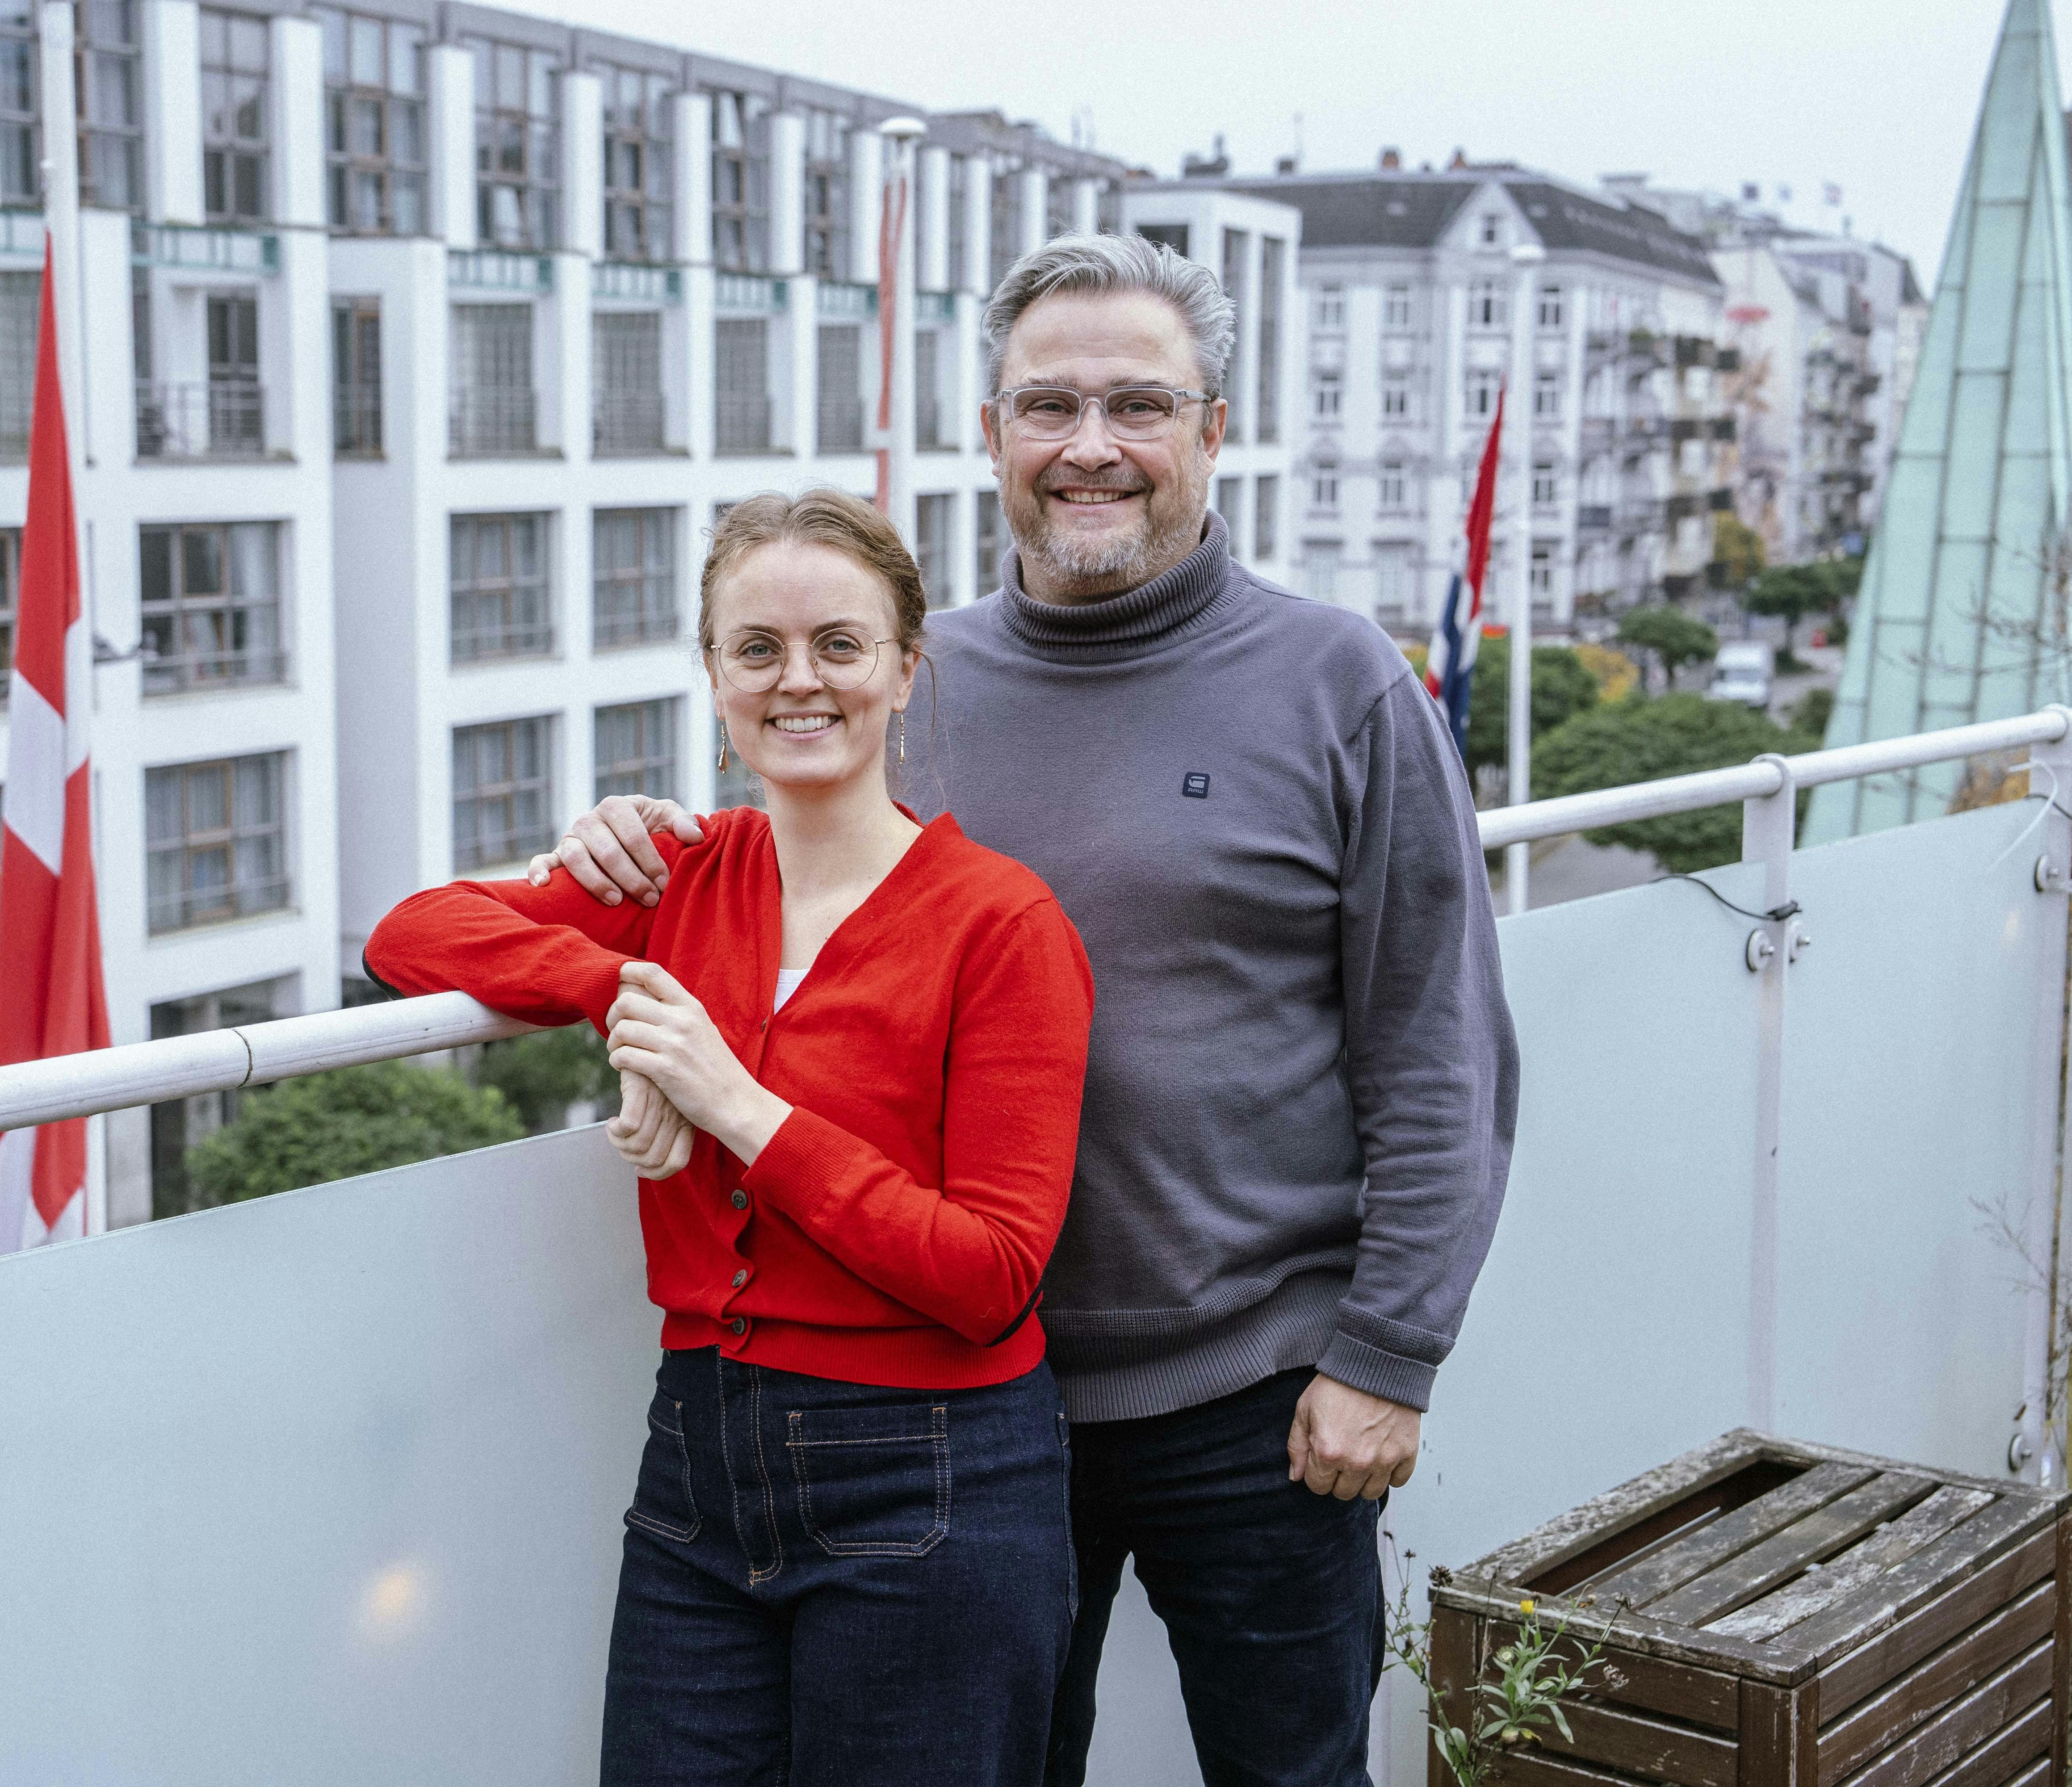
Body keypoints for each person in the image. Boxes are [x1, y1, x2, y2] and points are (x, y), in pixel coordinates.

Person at [529, 233, 1518, 1787]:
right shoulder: (901, 687)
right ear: (990, 433)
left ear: (1212, 428)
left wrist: (1390, 1353)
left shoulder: (1341, 685)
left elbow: (1438, 1050)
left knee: (1295, 1775)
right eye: (1048, 405)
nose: (1093, 447)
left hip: (1254, 1395)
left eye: (1140, 404)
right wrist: (617, 875)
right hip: (954, 1411)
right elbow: (774, 910)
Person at [363, 488, 1097, 1787]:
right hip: (700, 1458)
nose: (797, 681)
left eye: (839, 645)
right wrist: (626, 996)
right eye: (756, 649)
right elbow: (410, 937)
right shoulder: (686, 875)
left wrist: (737, 1106)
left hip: (935, 1476)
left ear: (905, 671)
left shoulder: (1002, 922)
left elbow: (991, 1277)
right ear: (712, 677)